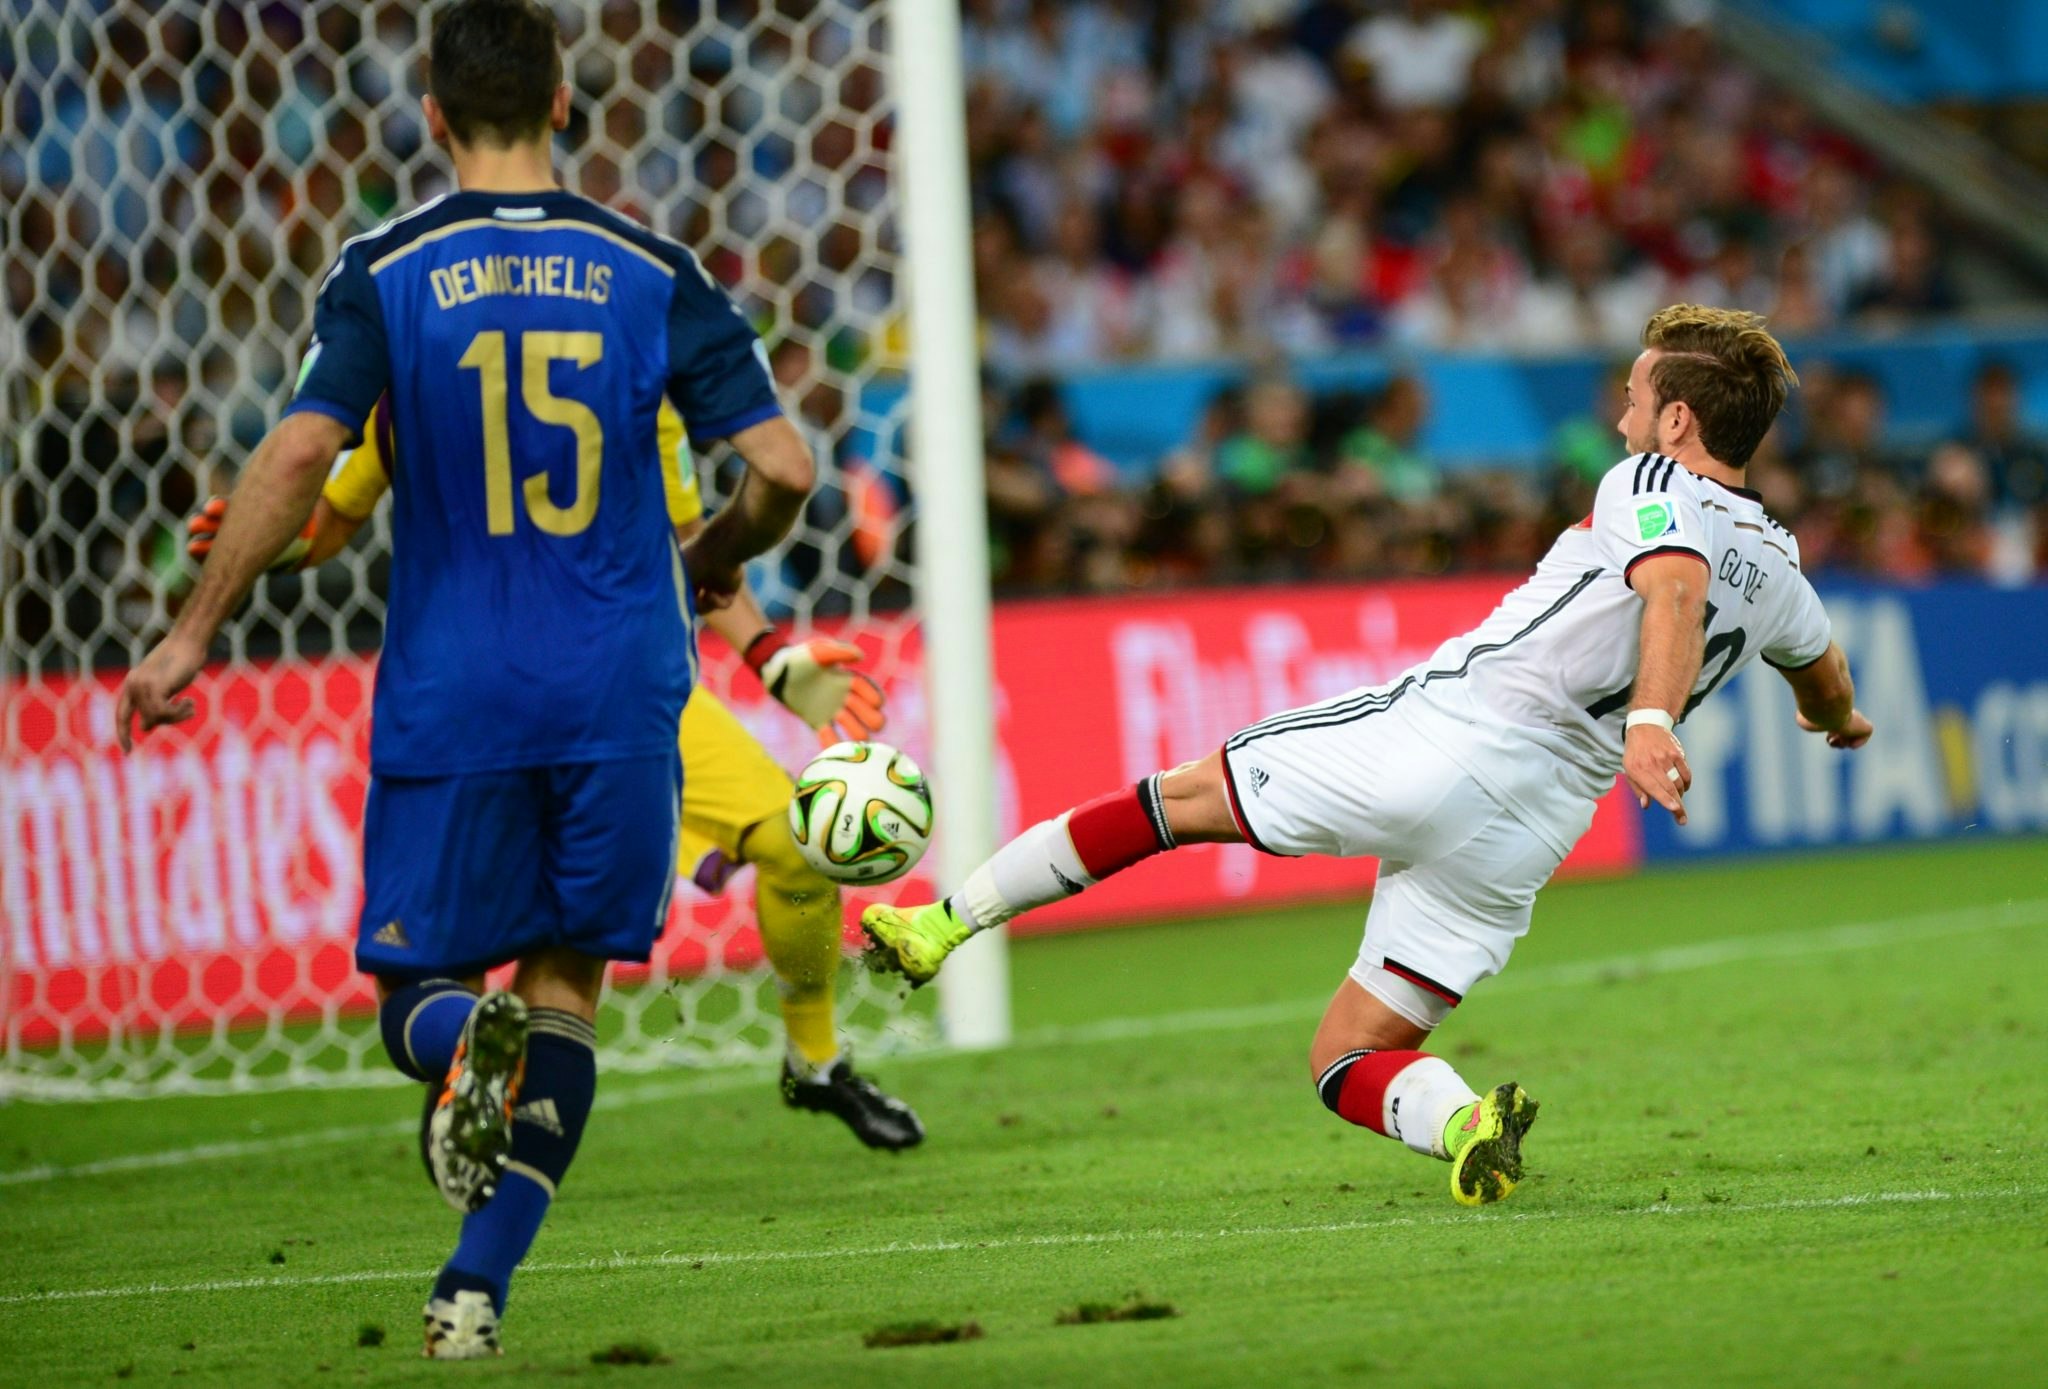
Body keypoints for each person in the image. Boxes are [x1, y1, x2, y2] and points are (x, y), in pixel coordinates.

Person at [117, 0, 815, 1357]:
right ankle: (471, 1295)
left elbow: (295, 462)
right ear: (568, 101)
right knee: (569, 995)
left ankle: (455, 1039)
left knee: (417, 997)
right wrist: (717, 555)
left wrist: (195, 629)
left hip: (457, 684)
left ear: (430, 113)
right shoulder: (654, 267)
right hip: (620, 688)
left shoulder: (386, 269)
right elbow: (784, 468)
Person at [860, 305, 1874, 1207]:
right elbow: (1822, 672)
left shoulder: (1647, 480)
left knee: (1173, 802)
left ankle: (944, 923)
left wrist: (1650, 722)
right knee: (1348, 1054)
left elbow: (1672, 590)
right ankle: (1464, 1125)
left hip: (1449, 737)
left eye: (1632, 395)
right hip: (1534, 828)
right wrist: (1837, 721)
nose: (1618, 414)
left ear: (1676, 422)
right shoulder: (1780, 566)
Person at [185, 396, 924, 1153]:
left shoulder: (636, 373)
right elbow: (332, 513)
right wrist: (271, 541)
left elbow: (688, 547)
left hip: (627, 682)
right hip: (474, 697)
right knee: (463, 953)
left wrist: (767, 652)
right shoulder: (422, 363)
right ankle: (470, 1088)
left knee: (796, 842)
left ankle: (817, 1059)